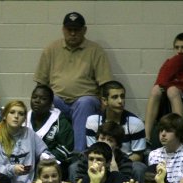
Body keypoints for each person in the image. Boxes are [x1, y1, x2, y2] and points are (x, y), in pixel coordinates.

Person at [34, 12, 112, 152]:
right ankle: (45, 152)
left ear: (84, 30)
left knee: (85, 103)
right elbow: (41, 83)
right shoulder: (51, 49)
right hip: (58, 99)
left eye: (77, 30)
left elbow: (106, 84)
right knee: (49, 99)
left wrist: (105, 103)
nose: (73, 33)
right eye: (69, 30)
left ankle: (78, 154)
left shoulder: (95, 50)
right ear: (63, 30)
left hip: (85, 100)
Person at [144, 33, 183, 141]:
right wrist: (175, 63)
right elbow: (160, 82)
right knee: (155, 90)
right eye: (177, 47)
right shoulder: (170, 64)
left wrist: (170, 86)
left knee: (172, 90)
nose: (179, 51)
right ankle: (146, 138)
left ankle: (180, 137)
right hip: (167, 102)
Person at [85, 81, 145, 164]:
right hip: (99, 161)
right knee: (75, 166)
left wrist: (117, 165)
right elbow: (92, 150)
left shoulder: (136, 123)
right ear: (105, 100)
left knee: (138, 167)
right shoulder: (92, 121)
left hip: (126, 162)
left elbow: (138, 155)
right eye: (115, 97)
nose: (120, 101)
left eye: (122, 96)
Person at [27, 83, 74, 168]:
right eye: (34, 97)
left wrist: (44, 159)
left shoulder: (61, 122)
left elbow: (66, 149)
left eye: (43, 99)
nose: (37, 101)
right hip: (25, 164)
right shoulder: (24, 119)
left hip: (52, 166)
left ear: (50, 103)